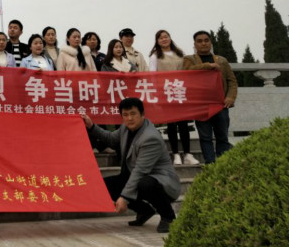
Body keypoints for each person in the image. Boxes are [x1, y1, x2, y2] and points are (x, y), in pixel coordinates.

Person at [81, 98, 181, 233]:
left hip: (162, 183)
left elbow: (139, 171)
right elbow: (110, 139)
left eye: (133, 114)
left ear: (142, 114)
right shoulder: (125, 128)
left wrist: (124, 198)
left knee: (145, 184)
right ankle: (144, 211)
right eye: (125, 115)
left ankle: (168, 217)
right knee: (105, 186)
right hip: (137, 176)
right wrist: (91, 126)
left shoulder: (150, 138)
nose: (129, 118)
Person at [183, 30, 238, 164]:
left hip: (220, 104)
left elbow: (232, 81)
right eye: (199, 41)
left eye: (206, 40)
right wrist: (208, 66)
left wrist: (230, 97)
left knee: (222, 137)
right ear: (195, 44)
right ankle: (210, 165)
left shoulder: (222, 60)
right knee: (205, 137)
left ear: (211, 42)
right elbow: (187, 72)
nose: (203, 43)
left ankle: (223, 164)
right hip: (201, 105)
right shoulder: (190, 59)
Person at [149, 30, 199, 166]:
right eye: (161, 38)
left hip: (180, 90)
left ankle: (187, 154)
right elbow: (152, 76)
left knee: (183, 123)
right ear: (157, 41)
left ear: (170, 38)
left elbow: (187, 70)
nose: (164, 39)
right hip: (166, 91)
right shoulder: (155, 56)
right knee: (171, 123)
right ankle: (176, 154)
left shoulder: (179, 53)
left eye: (166, 37)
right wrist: (156, 93)